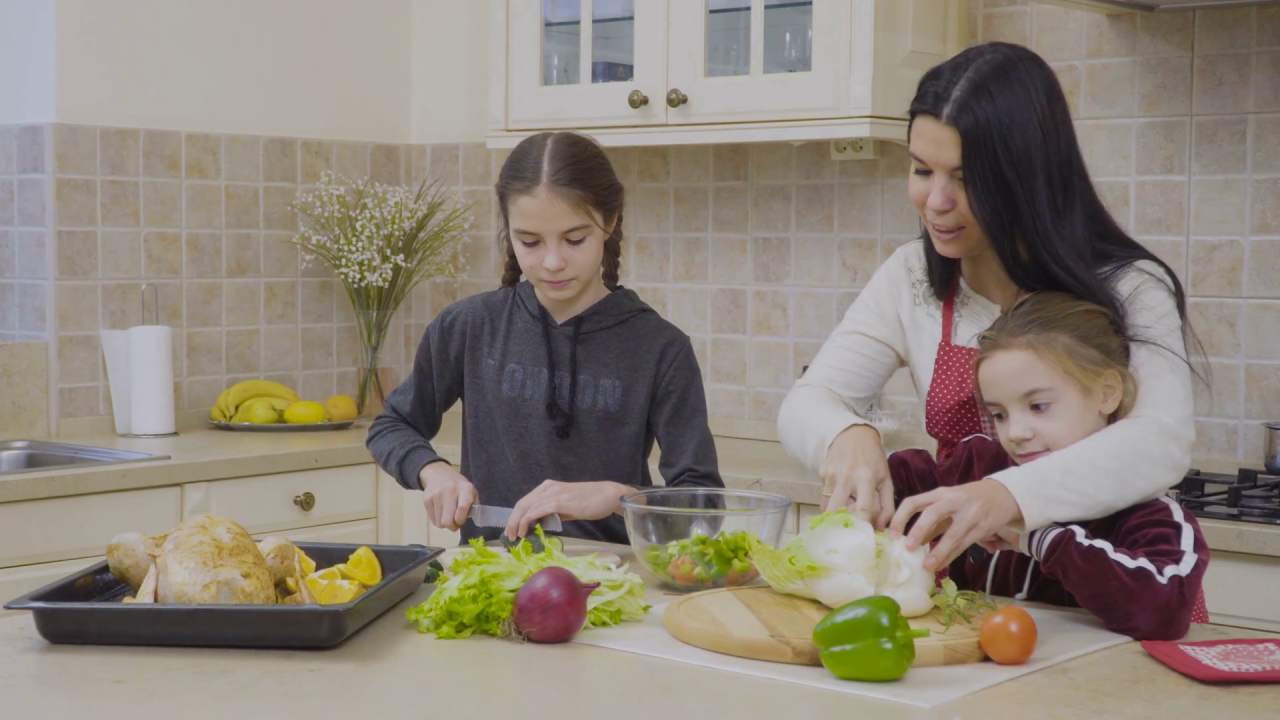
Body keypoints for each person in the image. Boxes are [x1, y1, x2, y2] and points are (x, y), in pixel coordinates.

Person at [777, 41, 1198, 575]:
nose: (936, 202)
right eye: (922, 170)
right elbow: (810, 400)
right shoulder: (913, 276)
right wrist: (848, 436)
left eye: (966, 178)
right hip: (978, 588)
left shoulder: (1128, 286)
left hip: (1110, 589)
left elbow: (1161, 441)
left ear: (1027, 176)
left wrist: (1006, 495)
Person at [367, 131, 723, 545]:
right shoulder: (469, 326)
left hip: (610, 583)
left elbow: (703, 510)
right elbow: (391, 426)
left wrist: (619, 497)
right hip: (491, 579)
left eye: (575, 240)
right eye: (530, 242)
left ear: (609, 222)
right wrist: (432, 469)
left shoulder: (660, 348)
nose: (552, 262)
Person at [887, 292, 1209, 640]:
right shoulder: (981, 467)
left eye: (1039, 406)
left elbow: (1164, 609)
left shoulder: (1149, 513)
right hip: (984, 683)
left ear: (1106, 393)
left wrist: (1037, 539)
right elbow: (913, 482)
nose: (1016, 433)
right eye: (999, 414)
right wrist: (865, 465)